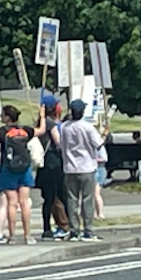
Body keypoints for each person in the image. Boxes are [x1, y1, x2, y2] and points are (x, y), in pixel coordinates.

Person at [0, 105, 42, 244]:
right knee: (24, 203)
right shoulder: (25, 130)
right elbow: (41, 130)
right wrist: (42, 116)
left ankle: (12, 236)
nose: (1, 116)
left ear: (7, 117)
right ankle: (27, 235)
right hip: (24, 168)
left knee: (12, 203)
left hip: (8, 168)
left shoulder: (2, 132)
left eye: (3, 114)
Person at [61, 100, 106, 241]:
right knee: (87, 199)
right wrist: (104, 133)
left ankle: (74, 230)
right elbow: (98, 144)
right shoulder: (88, 127)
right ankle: (88, 230)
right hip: (86, 167)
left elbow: (61, 144)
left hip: (69, 167)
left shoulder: (64, 127)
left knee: (72, 200)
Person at [37, 95, 70, 239]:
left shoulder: (41, 122)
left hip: (44, 164)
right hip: (54, 162)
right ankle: (68, 225)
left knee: (48, 198)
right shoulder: (50, 124)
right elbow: (58, 142)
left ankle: (46, 227)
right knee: (61, 195)